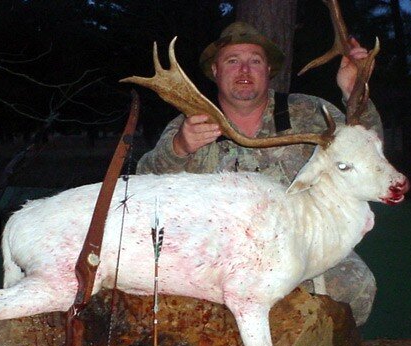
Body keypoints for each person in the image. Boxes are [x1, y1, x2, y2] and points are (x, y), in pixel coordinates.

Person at [137, 22, 381, 325]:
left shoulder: (310, 113)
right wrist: (179, 147)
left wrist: (354, 92)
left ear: (268, 70)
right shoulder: (191, 125)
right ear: (215, 71)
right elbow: (145, 184)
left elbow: (368, 154)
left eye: (255, 61)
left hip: (305, 250)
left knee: (354, 285)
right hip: (223, 261)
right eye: (232, 61)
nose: (244, 70)